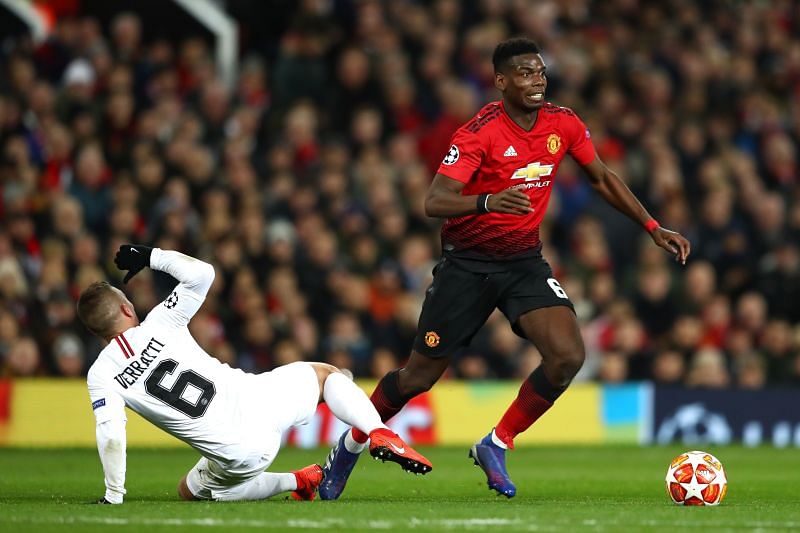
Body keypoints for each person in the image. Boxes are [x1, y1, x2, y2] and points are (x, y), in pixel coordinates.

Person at [319, 37, 690, 499]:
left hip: (522, 263)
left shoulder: (563, 123)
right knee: (417, 377)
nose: (536, 81)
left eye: (539, 73)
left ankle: (496, 443)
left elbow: (601, 178)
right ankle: (350, 448)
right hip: (466, 267)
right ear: (500, 81)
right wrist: (488, 200)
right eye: (524, 73)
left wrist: (652, 226)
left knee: (568, 356)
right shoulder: (479, 132)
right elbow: (434, 200)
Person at [78, 244, 431, 504]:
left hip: (240, 452)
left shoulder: (101, 375)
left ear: (97, 333)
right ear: (127, 307)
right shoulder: (161, 321)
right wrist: (150, 256)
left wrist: (114, 495)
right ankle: (379, 431)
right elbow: (204, 273)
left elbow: (111, 435)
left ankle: (299, 481)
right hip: (258, 398)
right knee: (325, 376)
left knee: (191, 491)